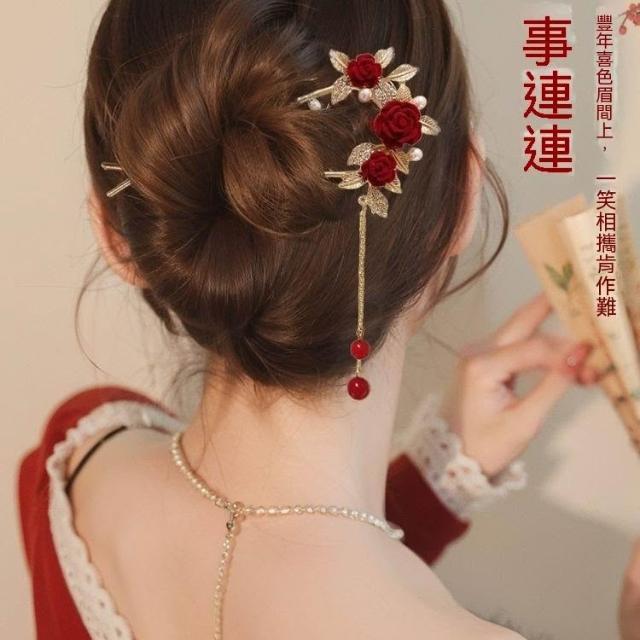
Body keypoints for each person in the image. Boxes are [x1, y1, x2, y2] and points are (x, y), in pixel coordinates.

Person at [16, 1, 640, 638]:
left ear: (115, 236)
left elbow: (280, 579)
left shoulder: (76, 462)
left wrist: (440, 479)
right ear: (463, 196)